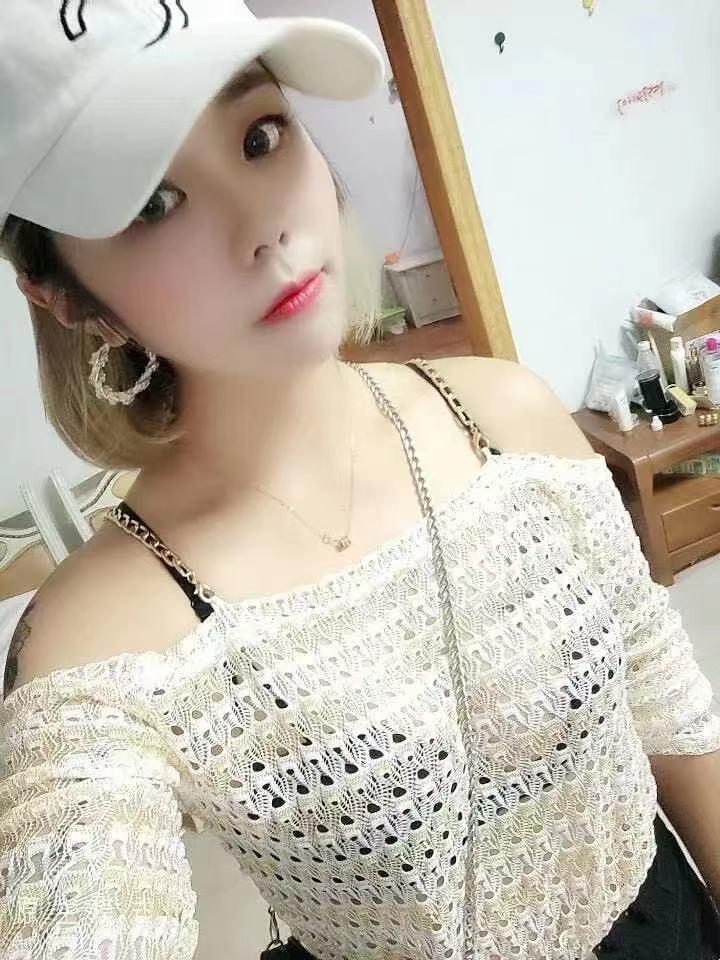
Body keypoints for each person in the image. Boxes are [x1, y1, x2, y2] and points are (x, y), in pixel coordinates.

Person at [1, 3, 719, 959]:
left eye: (260, 135)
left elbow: (666, 704)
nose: (264, 226)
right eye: (152, 205)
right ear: (64, 294)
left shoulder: (507, 418)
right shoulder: (103, 640)